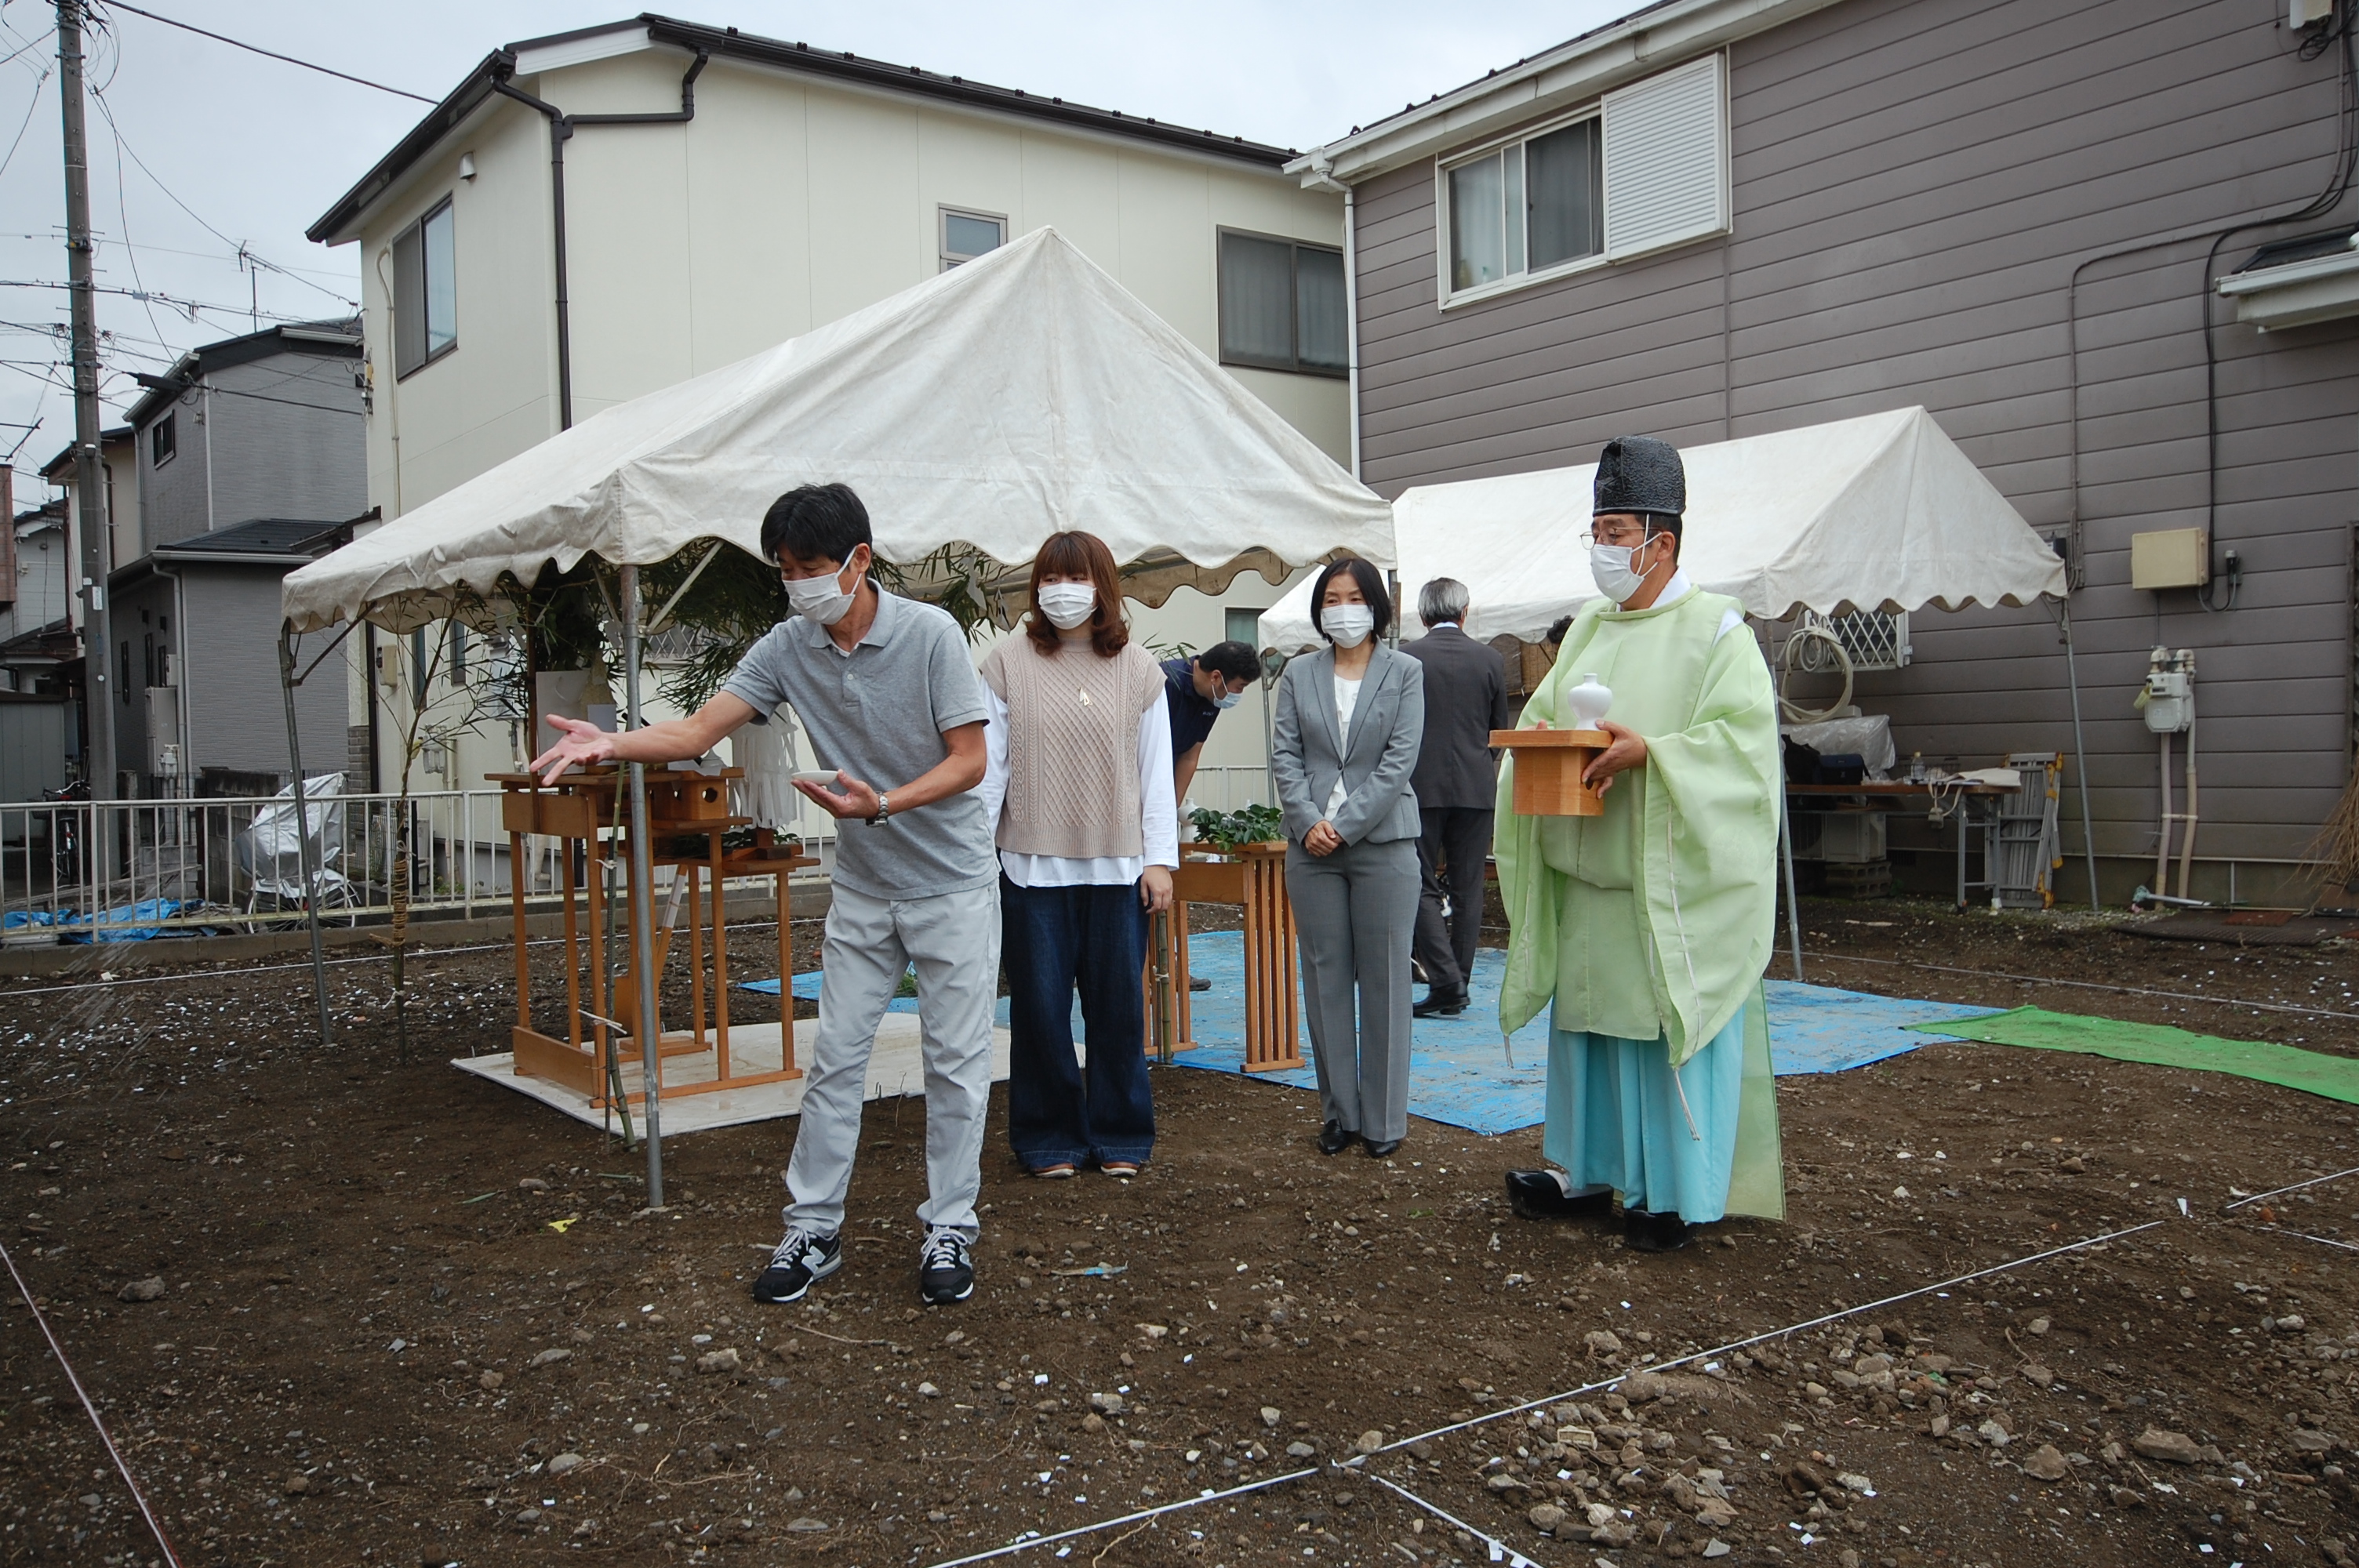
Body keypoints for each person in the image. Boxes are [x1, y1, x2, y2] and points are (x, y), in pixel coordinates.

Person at [530, 483, 997, 1307]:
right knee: (833, 1060)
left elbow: (969, 759)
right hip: (861, 885)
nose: (797, 584)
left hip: (950, 881)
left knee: (955, 1064)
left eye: (810, 567)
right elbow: (696, 730)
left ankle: (948, 1226)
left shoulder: (930, 634)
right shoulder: (787, 646)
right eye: (785, 569)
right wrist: (612, 742)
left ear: (858, 559)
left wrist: (882, 803)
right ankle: (812, 1227)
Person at [1495, 436, 1786, 1253]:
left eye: (1614, 529)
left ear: (1661, 541)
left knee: (1660, 1033)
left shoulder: (1716, 630)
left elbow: (1746, 751)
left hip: (1667, 888)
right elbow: (1547, 716)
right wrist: (1547, 741)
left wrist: (1652, 752)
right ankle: (1586, 1170)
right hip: (1589, 875)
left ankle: (1671, 1191)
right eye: (1594, 528)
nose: (1600, 546)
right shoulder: (1587, 626)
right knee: (1587, 1031)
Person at [976, 531, 1176, 1179]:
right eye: (1051, 579)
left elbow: (1154, 775)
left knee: (1118, 1007)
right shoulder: (1007, 664)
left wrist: (1160, 861)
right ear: (1036, 587)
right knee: (1038, 1010)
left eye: (1077, 578)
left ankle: (1121, 1131)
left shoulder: (1139, 670)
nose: (1063, 591)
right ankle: (1048, 1138)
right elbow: (989, 772)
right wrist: (979, 857)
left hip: (1119, 867)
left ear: (1103, 588)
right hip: (1030, 869)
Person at [1270, 558, 1425, 1160]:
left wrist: (1345, 824)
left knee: (1386, 979)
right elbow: (1283, 753)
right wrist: (1310, 823)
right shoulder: (1299, 672)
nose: (1342, 608)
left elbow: (1399, 760)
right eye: (1331, 598)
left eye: (1354, 597)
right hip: (1310, 849)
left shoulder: (1405, 671)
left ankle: (1385, 1121)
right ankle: (1340, 1114)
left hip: (1383, 843)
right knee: (1324, 975)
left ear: (1376, 607)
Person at [1399, 578, 1510, 1019]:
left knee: (1421, 882)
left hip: (1418, 787)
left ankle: (1444, 980)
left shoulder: (1404, 657)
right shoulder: (1491, 659)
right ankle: (1457, 981)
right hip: (1476, 786)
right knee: (1468, 887)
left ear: (1424, 616)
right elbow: (1496, 729)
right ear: (1464, 612)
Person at [1161, 640, 1259, 989]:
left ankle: (1170, 967)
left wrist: (1168, 809)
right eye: (1240, 687)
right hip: (1128, 795)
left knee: (1167, 889)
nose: (1238, 695)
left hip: (1157, 803)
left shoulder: (1211, 699)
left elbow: (1190, 754)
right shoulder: (1163, 682)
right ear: (1217, 676)